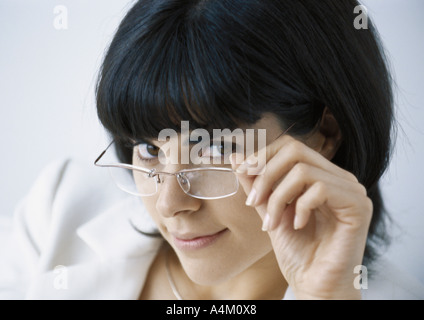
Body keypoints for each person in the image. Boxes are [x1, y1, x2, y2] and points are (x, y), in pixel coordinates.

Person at [2, 0, 424, 300]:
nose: (170, 203)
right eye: (149, 148)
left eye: (215, 148)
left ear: (325, 134)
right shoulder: (59, 206)